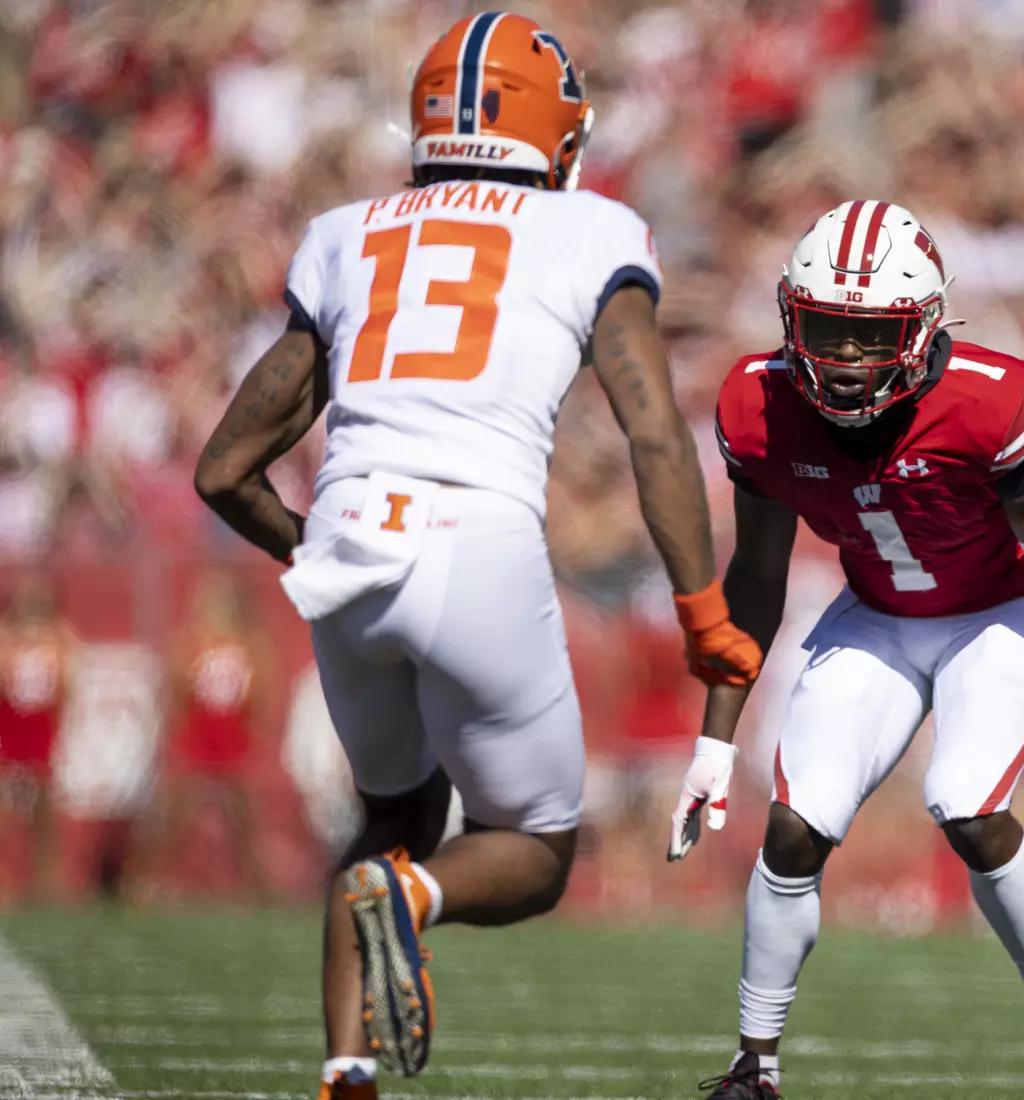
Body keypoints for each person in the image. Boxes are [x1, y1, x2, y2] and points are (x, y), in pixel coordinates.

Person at [191, 13, 763, 1100]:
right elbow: (651, 428)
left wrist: (320, 546)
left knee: (386, 817)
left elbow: (224, 469)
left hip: (350, 532)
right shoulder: (589, 230)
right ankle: (413, 900)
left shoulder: (346, 231)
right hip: (480, 536)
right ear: (555, 132)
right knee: (537, 850)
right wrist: (702, 608)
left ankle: (346, 1069)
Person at [669, 201, 1024, 1100]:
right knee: (796, 825)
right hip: (877, 614)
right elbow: (757, 581)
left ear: (924, 330)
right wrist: (713, 740)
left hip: (991, 613)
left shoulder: (989, 399)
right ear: (788, 315)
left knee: (966, 804)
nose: (844, 360)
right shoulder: (756, 405)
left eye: (868, 336)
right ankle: (753, 1067)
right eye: (825, 331)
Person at [139, 571, 272, 902]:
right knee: (177, 816)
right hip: (197, 740)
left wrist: (248, 733)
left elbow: (262, 697)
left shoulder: (250, 645)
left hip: (233, 742)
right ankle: (148, 881)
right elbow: (175, 692)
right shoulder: (190, 643)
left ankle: (256, 889)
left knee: (243, 822)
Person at [0, 574, 75, 903]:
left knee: (43, 808)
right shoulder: (6, 640)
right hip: (9, 727)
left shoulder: (58, 641)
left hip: (41, 729)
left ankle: (46, 880)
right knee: (5, 806)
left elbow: (68, 685)